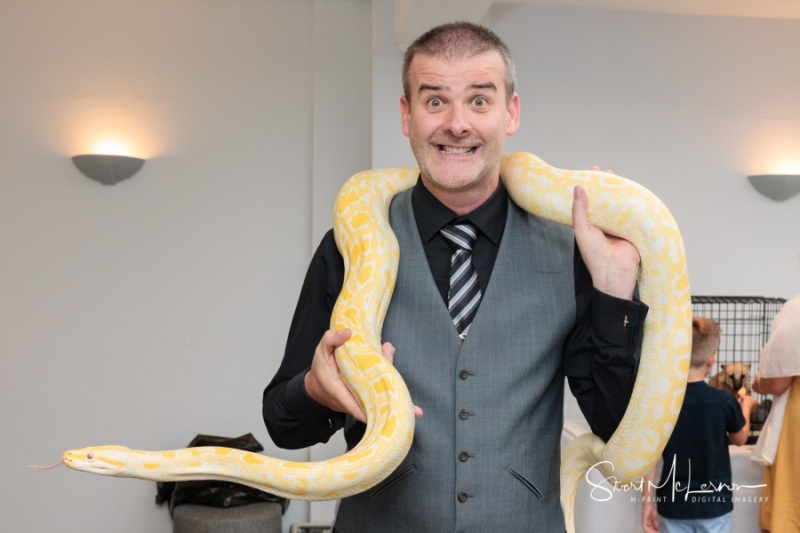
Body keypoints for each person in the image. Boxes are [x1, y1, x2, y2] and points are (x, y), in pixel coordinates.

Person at [263, 21, 647, 532]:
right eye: (435, 101)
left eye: (480, 101)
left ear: (510, 112)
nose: (457, 124)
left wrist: (616, 287)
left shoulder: (573, 249)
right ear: (407, 115)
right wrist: (315, 387)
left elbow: (618, 427)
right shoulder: (349, 245)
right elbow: (283, 426)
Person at [642, 316, 757, 533]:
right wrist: (747, 408)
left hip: (673, 505)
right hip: (714, 506)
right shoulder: (724, 401)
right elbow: (740, 438)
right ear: (711, 361)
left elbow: (648, 459)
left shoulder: (661, 403)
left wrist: (647, 503)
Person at [751, 294, 800, 532]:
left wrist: (759, 382)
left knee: (791, 500)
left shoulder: (796, 309)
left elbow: (778, 382)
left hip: (796, 420)